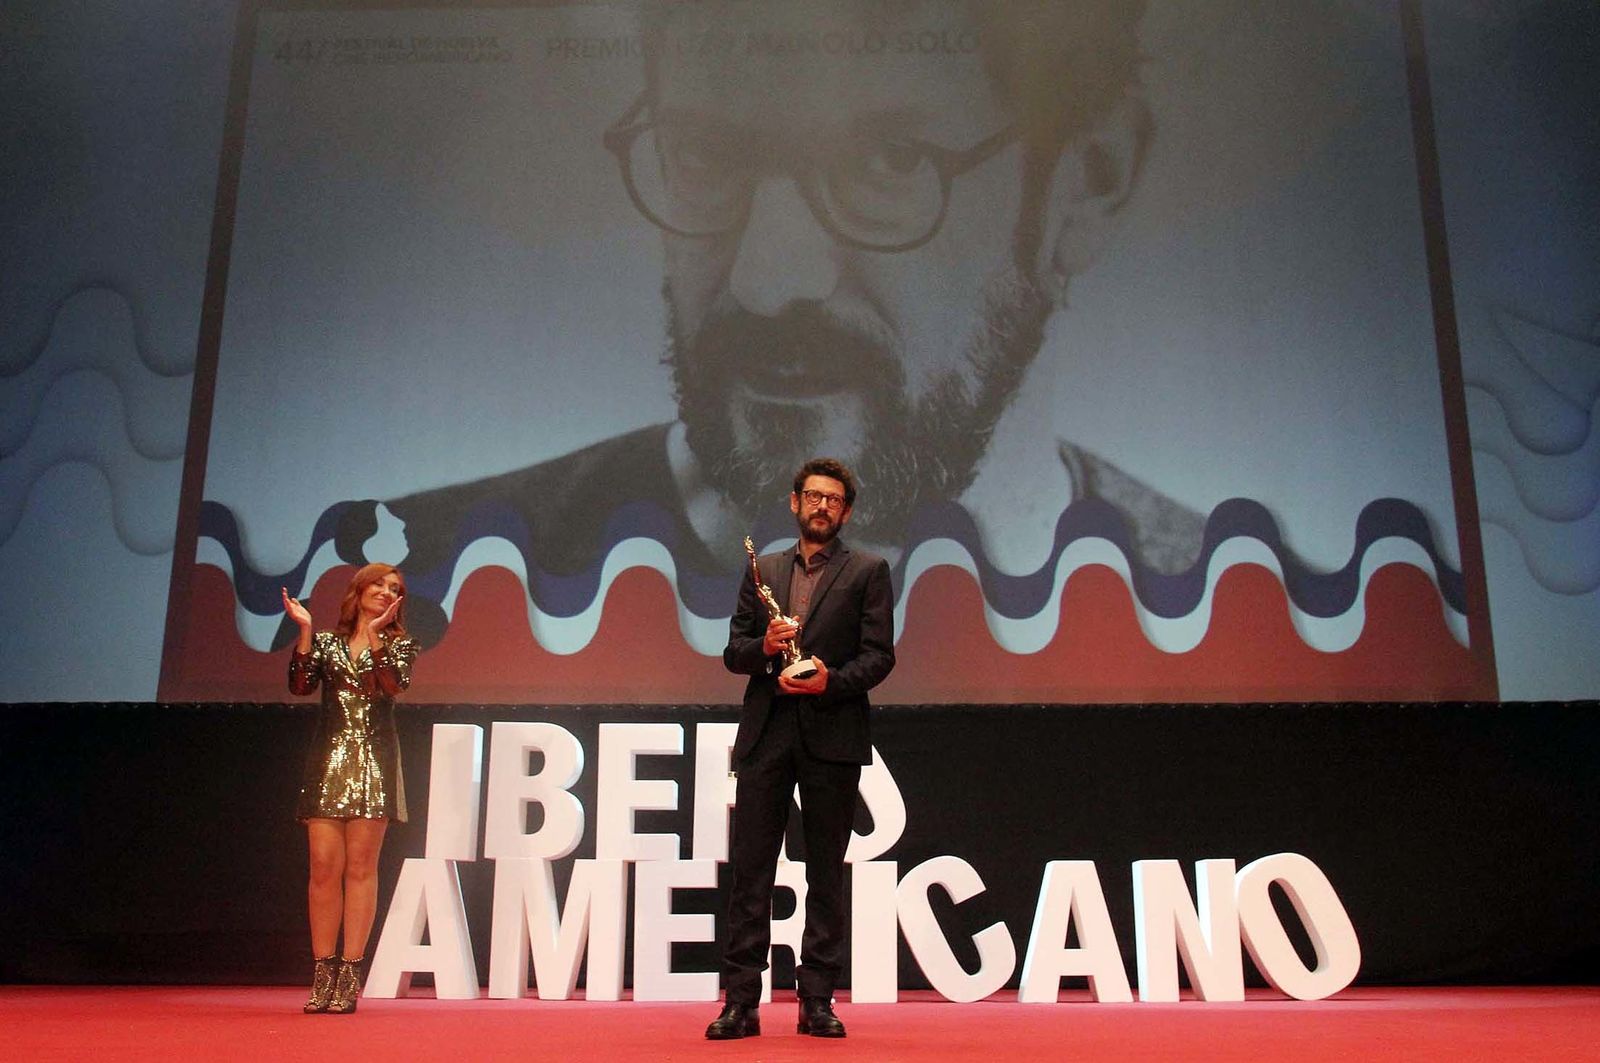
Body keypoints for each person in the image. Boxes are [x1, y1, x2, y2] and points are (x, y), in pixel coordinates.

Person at [354, 0, 1199, 640]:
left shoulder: (1200, 595)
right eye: (706, 155)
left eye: (887, 161)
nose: (769, 281)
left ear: (1090, 183)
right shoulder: (410, 571)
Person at [706, 458, 895, 1040]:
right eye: (813, 496)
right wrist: (765, 647)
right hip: (767, 735)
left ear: (847, 511)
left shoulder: (868, 570)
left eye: (834, 500)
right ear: (795, 502)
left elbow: (880, 656)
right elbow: (733, 652)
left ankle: (817, 1000)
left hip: (831, 733)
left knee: (824, 875)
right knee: (752, 872)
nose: (822, 507)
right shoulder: (762, 568)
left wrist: (828, 681)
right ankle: (741, 1002)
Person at [281, 564, 418, 1015]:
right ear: (358, 591)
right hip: (329, 760)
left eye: (393, 589)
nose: (384, 592)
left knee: (361, 869)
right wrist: (304, 630)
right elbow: (301, 687)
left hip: (375, 761)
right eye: (378, 584)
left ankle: (349, 974)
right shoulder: (326, 643)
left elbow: (393, 686)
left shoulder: (400, 644)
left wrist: (378, 636)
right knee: (323, 867)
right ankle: (322, 971)